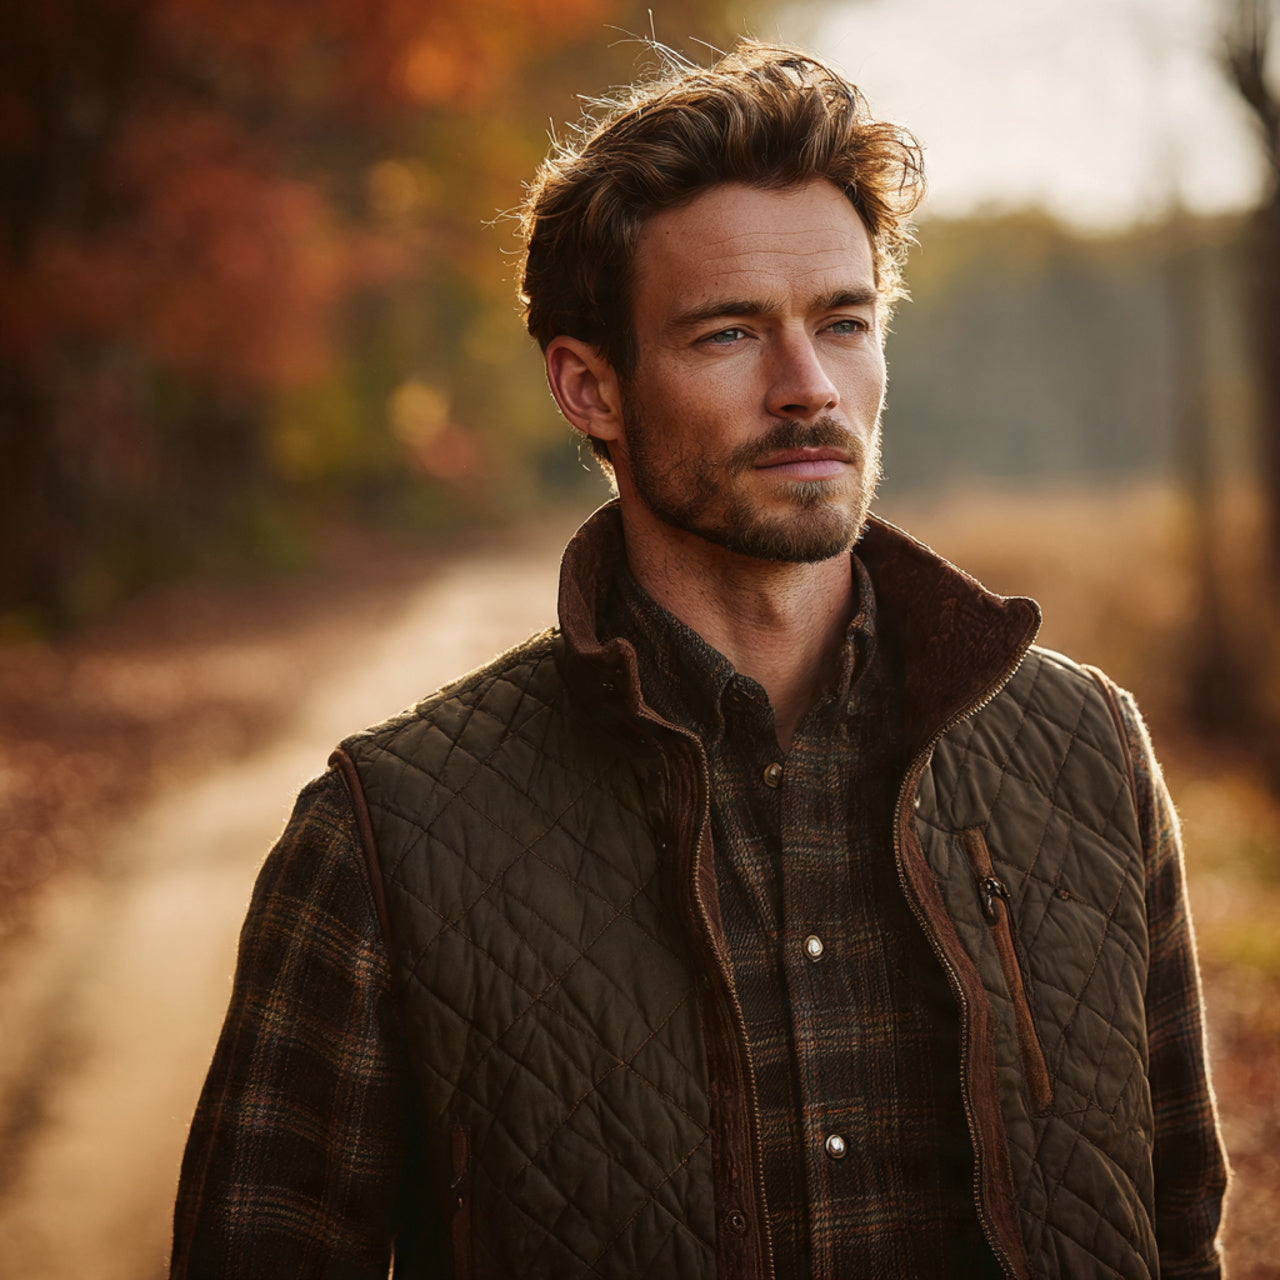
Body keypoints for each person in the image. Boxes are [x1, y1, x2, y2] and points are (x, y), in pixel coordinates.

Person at [170, 40, 1228, 1280]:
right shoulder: (383, 834)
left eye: (842, 322)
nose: (805, 388)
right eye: (728, 334)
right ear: (589, 388)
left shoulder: (1085, 751)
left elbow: (1175, 1230)